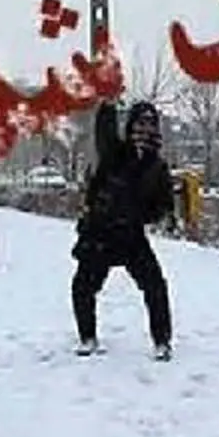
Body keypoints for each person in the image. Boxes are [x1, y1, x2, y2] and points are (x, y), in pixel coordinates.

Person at [71, 98, 174, 359]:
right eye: (140, 124)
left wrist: (147, 215)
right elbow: (104, 131)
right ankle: (88, 338)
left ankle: (162, 342)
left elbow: (163, 203)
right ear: (130, 126)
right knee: (83, 286)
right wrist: (108, 100)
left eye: (150, 125)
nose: (145, 130)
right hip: (100, 233)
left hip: (131, 237)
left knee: (155, 286)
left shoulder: (157, 167)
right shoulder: (114, 152)